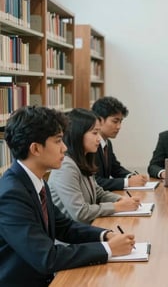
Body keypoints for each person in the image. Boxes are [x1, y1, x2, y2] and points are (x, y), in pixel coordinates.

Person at [0, 106, 136, 287]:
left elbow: (65, 227)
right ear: (35, 148)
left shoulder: (36, 181)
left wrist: (105, 235)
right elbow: (46, 257)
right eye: (58, 141)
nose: (64, 148)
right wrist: (108, 249)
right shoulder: (11, 194)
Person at [48, 108, 141, 224]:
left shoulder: (83, 159)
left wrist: (122, 200)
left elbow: (98, 193)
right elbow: (80, 213)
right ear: (78, 133)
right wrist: (116, 206)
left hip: (88, 228)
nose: (98, 138)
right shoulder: (66, 167)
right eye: (94, 133)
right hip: (74, 238)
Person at [92, 96, 148, 191]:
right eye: (115, 121)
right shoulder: (91, 144)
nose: (119, 127)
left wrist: (132, 176)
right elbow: (94, 181)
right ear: (99, 120)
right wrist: (127, 182)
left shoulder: (107, 142)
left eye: (120, 122)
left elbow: (115, 168)